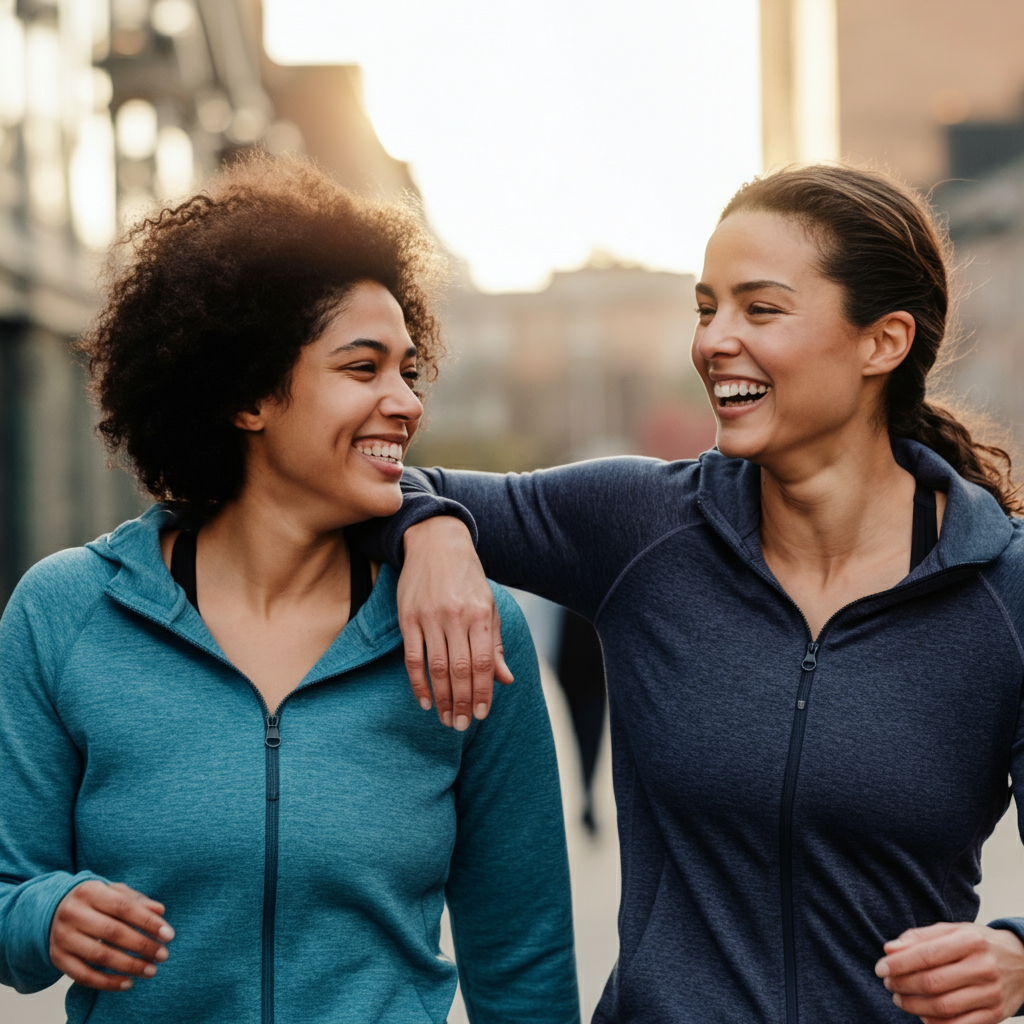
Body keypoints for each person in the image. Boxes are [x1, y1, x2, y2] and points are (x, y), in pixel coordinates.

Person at [372, 164, 1024, 1023]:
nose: (714, 340)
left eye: (760, 309)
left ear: (884, 342)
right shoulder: (641, 525)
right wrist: (434, 529)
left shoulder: (1004, 594)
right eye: (705, 307)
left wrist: (1018, 956)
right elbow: (364, 478)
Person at [0, 155, 579, 1024]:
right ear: (246, 397)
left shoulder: (467, 627)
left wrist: (435, 525)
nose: (406, 402)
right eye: (362, 368)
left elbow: (524, 955)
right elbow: (9, 886)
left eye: (408, 370)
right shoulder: (67, 613)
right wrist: (45, 914)